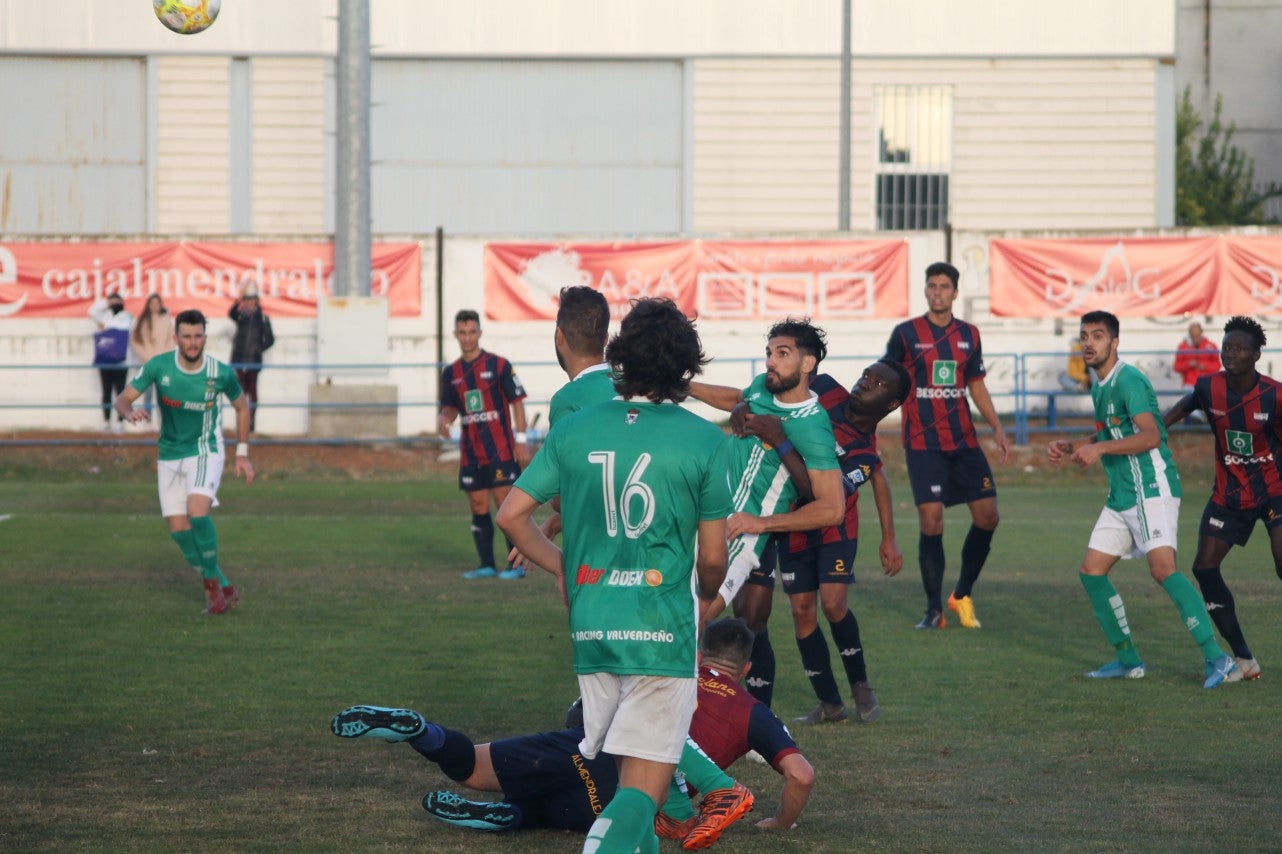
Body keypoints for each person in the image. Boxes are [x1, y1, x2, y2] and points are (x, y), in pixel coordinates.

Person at [496, 297, 732, 854]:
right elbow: (715, 557)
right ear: (686, 366)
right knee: (642, 795)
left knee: (633, 789)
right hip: (660, 626)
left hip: (592, 623)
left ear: (621, 356)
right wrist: (703, 593)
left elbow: (511, 516)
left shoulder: (576, 425)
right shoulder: (704, 440)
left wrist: (565, 566)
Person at [331, 619, 809, 847]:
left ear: (702, 651)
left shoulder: (674, 672)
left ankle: (421, 732)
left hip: (592, 745)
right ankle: (511, 816)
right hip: (644, 786)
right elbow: (801, 776)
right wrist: (780, 824)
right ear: (745, 668)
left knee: (473, 769)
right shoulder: (752, 710)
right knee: (568, 810)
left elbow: (580, 713)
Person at [1046, 310, 1238, 688]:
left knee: (1163, 569)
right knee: (1091, 572)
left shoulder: (1129, 379)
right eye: (1084, 335)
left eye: (1098, 336)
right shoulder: (1100, 384)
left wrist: (1100, 452)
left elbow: (1151, 435)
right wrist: (1076, 446)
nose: (1088, 342)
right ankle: (1128, 660)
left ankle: (1219, 660)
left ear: (1114, 342)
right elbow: (1108, 432)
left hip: (1151, 488)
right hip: (1122, 494)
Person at [738, 359, 911, 725]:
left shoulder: (865, 453)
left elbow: (864, 483)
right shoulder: (826, 387)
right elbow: (780, 388)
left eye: (878, 383)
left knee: (833, 605)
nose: (866, 383)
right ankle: (830, 703)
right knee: (802, 613)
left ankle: (860, 682)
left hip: (834, 525)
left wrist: (889, 538)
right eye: (867, 374)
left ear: (892, 404)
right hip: (792, 519)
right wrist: (745, 403)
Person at [884, 261, 1010, 630]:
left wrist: (998, 428)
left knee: (989, 516)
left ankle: (961, 594)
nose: (937, 292)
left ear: (955, 293)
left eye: (944, 286)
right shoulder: (906, 334)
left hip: (964, 441)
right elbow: (887, 380)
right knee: (932, 521)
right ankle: (933, 609)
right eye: (932, 286)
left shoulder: (969, 334)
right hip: (923, 443)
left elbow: (976, 385)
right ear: (926, 291)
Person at [114, 309, 255, 615]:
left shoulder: (219, 372)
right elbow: (123, 399)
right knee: (178, 530)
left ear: (205, 336)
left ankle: (211, 593)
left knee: (197, 513)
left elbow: (243, 408)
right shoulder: (158, 367)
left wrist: (242, 453)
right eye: (187, 337)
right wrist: (129, 412)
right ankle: (224, 584)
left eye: (198, 336)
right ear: (176, 337)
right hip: (169, 454)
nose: (193, 343)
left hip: (205, 449)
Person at [1162, 316, 1278, 681]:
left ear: (1257, 355)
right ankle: (1244, 659)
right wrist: (1150, 432)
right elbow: (1182, 408)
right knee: (1204, 567)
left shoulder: (1274, 395)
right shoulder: (1207, 386)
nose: (1231, 354)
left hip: (1275, 490)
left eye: (1239, 349)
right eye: (1227, 347)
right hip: (1229, 494)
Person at [438, 309, 531, 580]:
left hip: (501, 449)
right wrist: (444, 420)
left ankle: (517, 566)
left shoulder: (499, 365)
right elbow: (451, 409)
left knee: (505, 506)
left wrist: (521, 439)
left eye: (472, 332)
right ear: (456, 334)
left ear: (479, 332)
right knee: (478, 506)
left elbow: (517, 402)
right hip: (471, 453)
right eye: (462, 333)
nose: (467, 338)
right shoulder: (451, 373)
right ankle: (486, 564)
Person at [228, 288, 275, 432]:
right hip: (240, 359)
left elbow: (270, 339)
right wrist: (238, 300)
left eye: (251, 300)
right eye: (246, 300)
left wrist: (258, 349)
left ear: (256, 301)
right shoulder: (241, 317)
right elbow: (231, 313)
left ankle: (251, 425)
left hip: (254, 361)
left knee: (253, 393)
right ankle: (241, 423)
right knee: (240, 393)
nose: (249, 303)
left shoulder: (262, 318)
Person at [89, 291, 134, 433]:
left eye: (117, 302)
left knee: (121, 392)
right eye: (111, 302)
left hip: (122, 361)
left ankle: (120, 422)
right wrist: (106, 303)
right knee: (106, 391)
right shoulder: (104, 316)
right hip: (106, 361)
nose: (114, 304)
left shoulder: (128, 317)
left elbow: (127, 333)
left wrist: (109, 329)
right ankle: (106, 421)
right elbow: (91, 311)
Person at [130, 293, 172, 429]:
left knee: (164, 395)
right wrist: (147, 358)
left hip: (163, 364)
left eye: (157, 303)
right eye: (152, 303)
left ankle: (163, 423)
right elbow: (136, 341)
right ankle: (147, 422)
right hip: (147, 363)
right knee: (147, 394)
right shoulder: (142, 321)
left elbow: (171, 341)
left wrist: (164, 359)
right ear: (148, 305)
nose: (155, 306)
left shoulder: (166, 320)